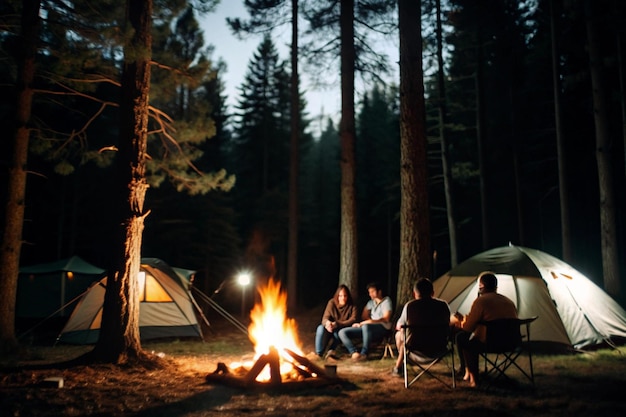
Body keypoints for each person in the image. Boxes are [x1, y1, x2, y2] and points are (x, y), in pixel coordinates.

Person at [450, 271, 517, 387]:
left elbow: (468, 329)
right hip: (511, 342)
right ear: (496, 286)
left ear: (481, 286)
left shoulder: (481, 302)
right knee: (466, 338)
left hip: (490, 343)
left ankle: (473, 378)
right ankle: (467, 372)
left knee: (461, 338)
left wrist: (459, 322)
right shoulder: (509, 302)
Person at [391, 278, 451, 377]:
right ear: (432, 293)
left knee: (399, 335)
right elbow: (447, 323)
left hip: (415, 348)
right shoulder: (443, 305)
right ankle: (400, 365)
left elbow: (399, 326)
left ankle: (399, 366)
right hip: (439, 347)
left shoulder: (411, 306)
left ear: (414, 293)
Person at [338, 282, 393, 361]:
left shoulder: (386, 301)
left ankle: (364, 353)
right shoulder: (371, 302)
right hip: (367, 328)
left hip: (382, 327)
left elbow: (386, 318)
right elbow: (364, 315)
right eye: (369, 292)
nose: (370, 294)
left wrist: (368, 322)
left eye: (372, 291)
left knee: (366, 327)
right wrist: (366, 322)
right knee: (342, 332)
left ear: (379, 291)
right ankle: (354, 352)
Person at [314, 284, 358, 359]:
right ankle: (319, 353)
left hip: (342, 328)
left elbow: (353, 319)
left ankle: (331, 352)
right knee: (320, 328)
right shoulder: (332, 303)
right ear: (337, 296)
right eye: (340, 296)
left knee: (339, 333)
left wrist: (337, 324)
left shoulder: (352, 305)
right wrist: (328, 323)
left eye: (345, 296)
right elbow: (325, 318)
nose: (343, 298)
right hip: (330, 327)